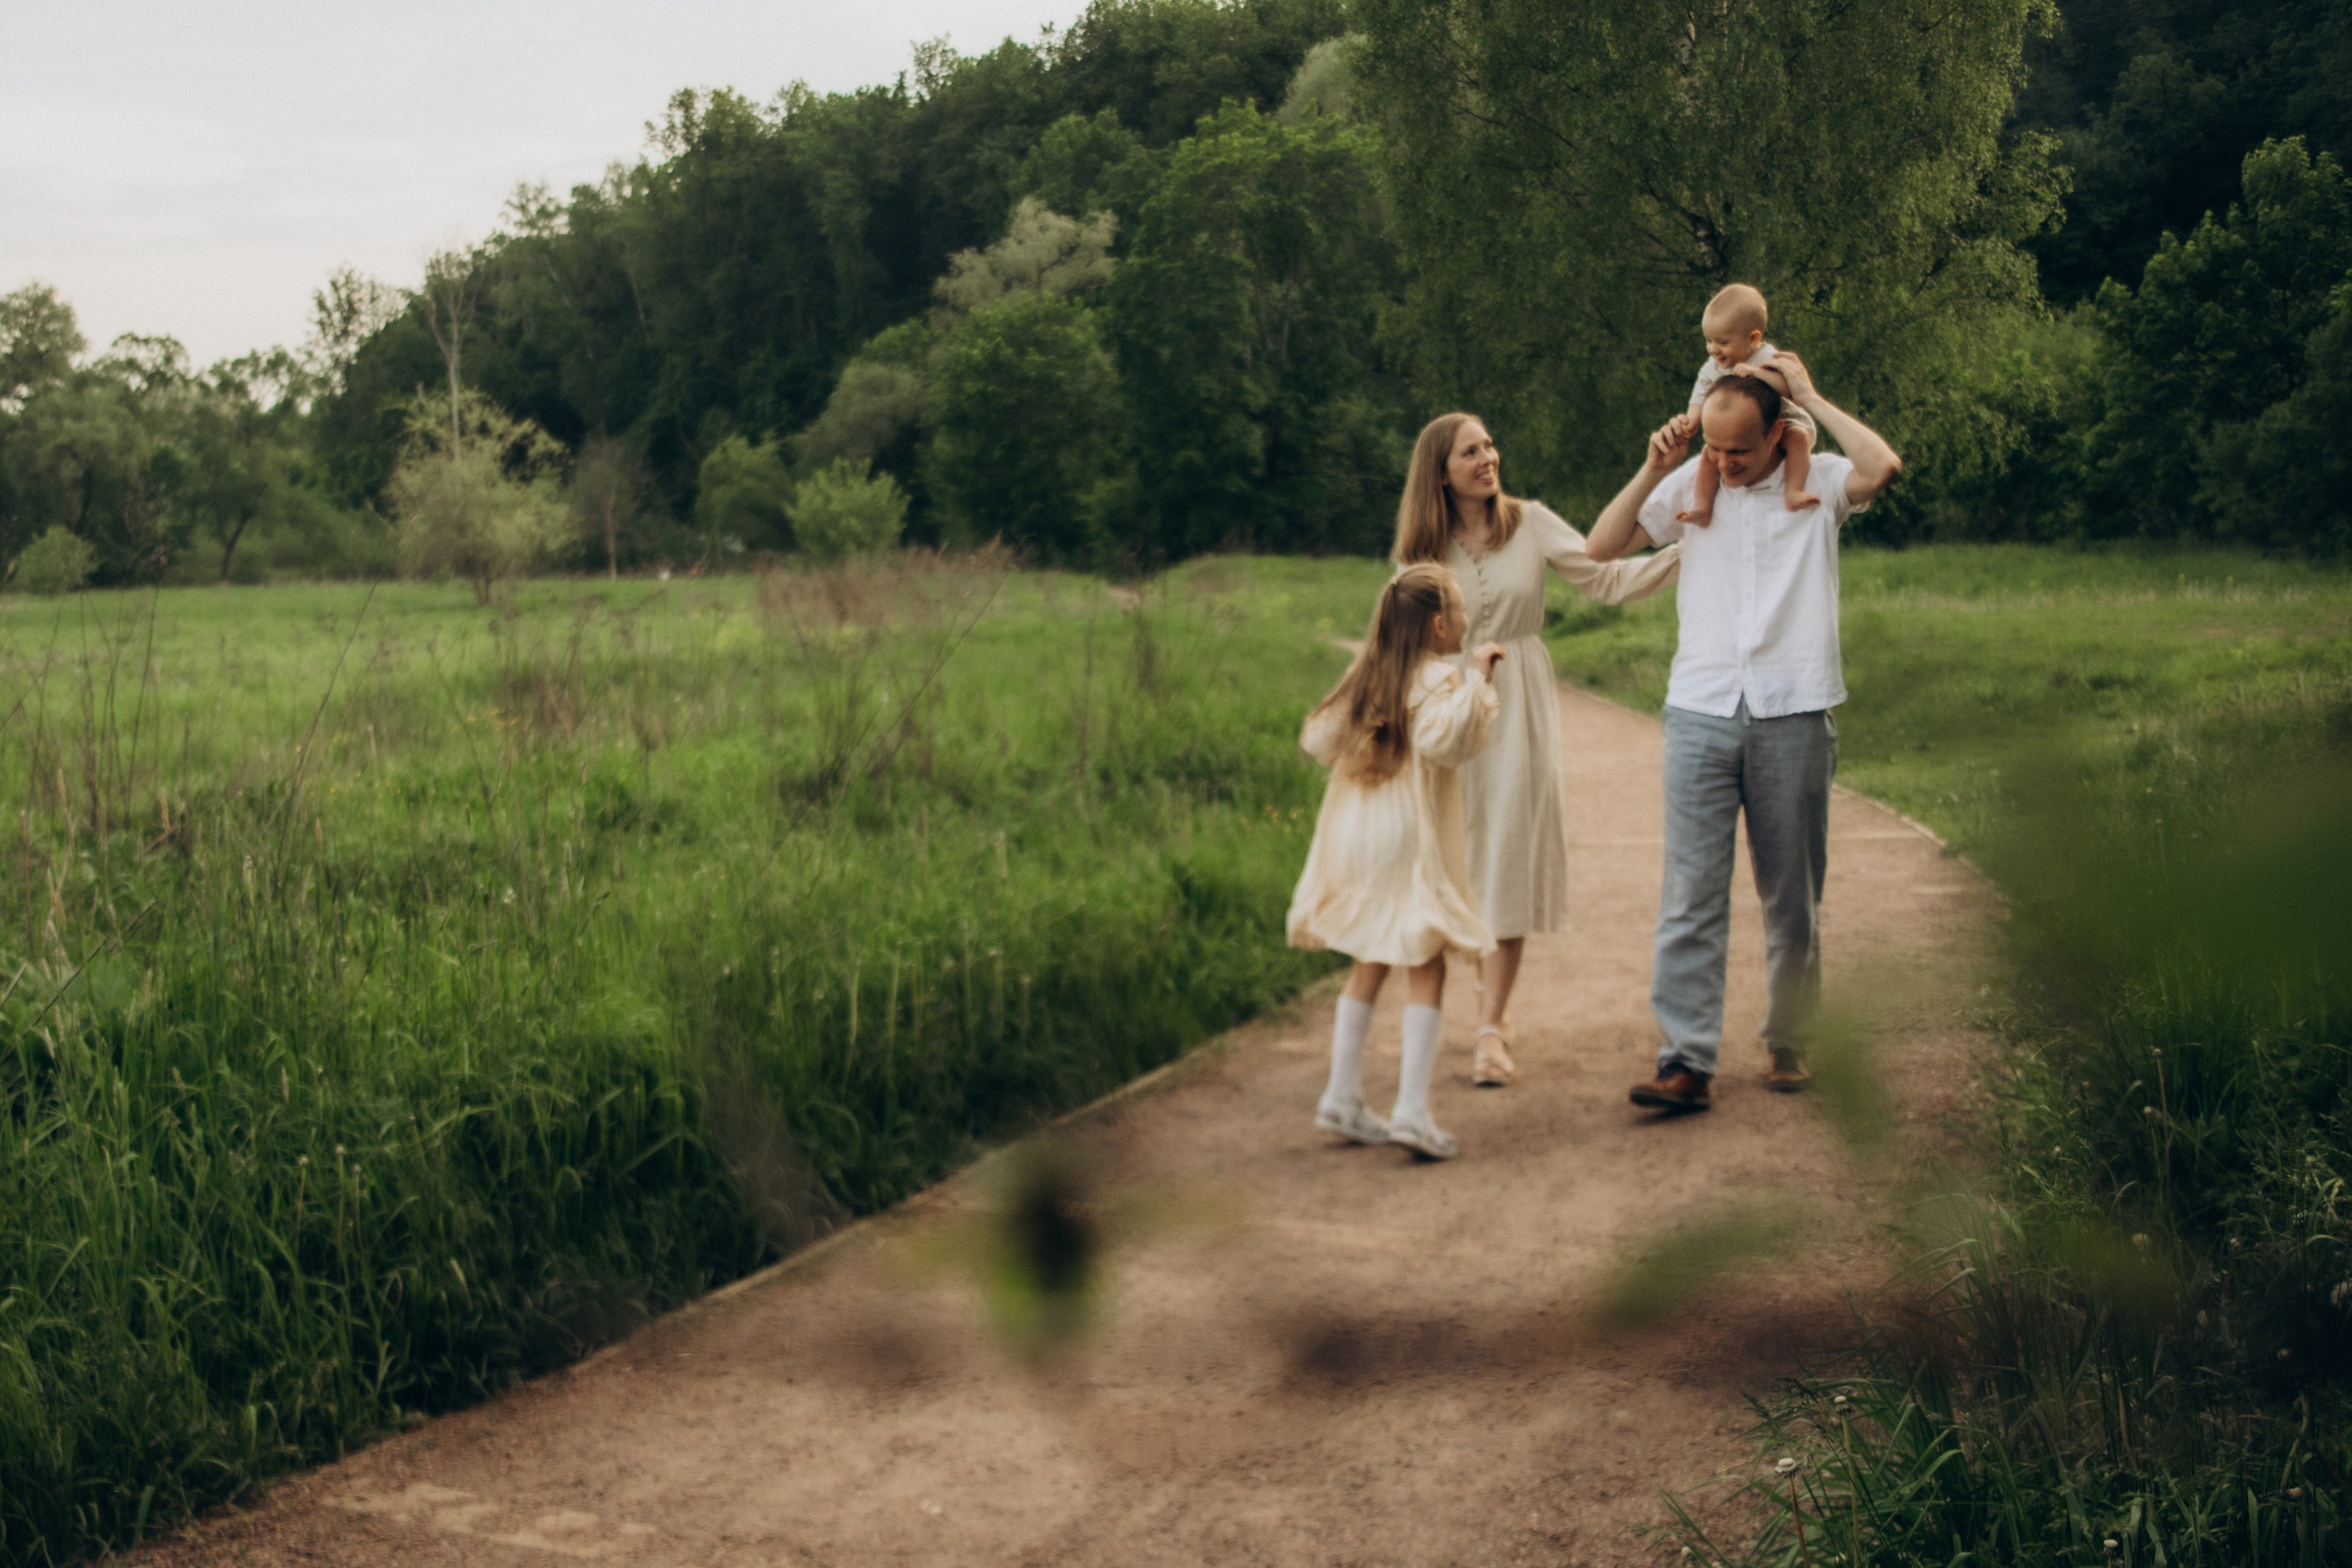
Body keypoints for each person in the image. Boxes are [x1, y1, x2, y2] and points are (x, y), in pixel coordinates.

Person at [1585, 353, 1903, 1112]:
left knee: (1792, 896)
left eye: (1740, 450)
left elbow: (1882, 465)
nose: (1724, 463)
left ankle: (1791, 1041)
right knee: (1690, 892)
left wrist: (1812, 395)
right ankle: (1685, 1059)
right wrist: (1654, 465)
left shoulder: (1818, 482)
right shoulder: (1691, 487)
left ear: (1776, 435)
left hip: (1794, 709)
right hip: (1701, 708)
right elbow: (1601, 546)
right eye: (1715, 448)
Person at [1392, 413, 1680, 1088]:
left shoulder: (1531, 522)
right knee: (1456, 856)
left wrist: (1692, 551)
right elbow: (1398, 643)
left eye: (1490, 445)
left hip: (1518, 704)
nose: (1488, 458)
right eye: (1471, 452)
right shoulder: (1420, 552)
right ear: (1441, 473)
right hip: (1445, 705)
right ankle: (1479, 985)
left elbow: (1605, 579)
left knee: (1508, 856)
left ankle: (1491, 1024)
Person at [1287, 564, 1507, 1160]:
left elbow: (1318, 740)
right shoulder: (1438, 679)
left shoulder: (1369, 676)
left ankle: (1341, 1094)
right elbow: (1444, 741)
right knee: (1426, 962)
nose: (1466, 619)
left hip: (1359, 835)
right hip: (1408, 839)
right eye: (1460, 610)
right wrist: (1478, 682)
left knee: (1371, 956)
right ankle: (1412, 1109)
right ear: (1439, 625)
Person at [1674, 284, 1819, 525]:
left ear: (1753, 339)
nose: (1713, 349)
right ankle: (1702, 507)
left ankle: (1794, 491)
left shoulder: (1767, 357)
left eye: (1722, 342)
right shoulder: (1712, 367)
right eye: (1708, 340)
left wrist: (1756, 373)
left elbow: (1788, 388)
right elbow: (1699, 396)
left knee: (1798, 438)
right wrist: (1690, 423)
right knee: (1709, 455)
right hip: (1739, 432)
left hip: (1783, 418)